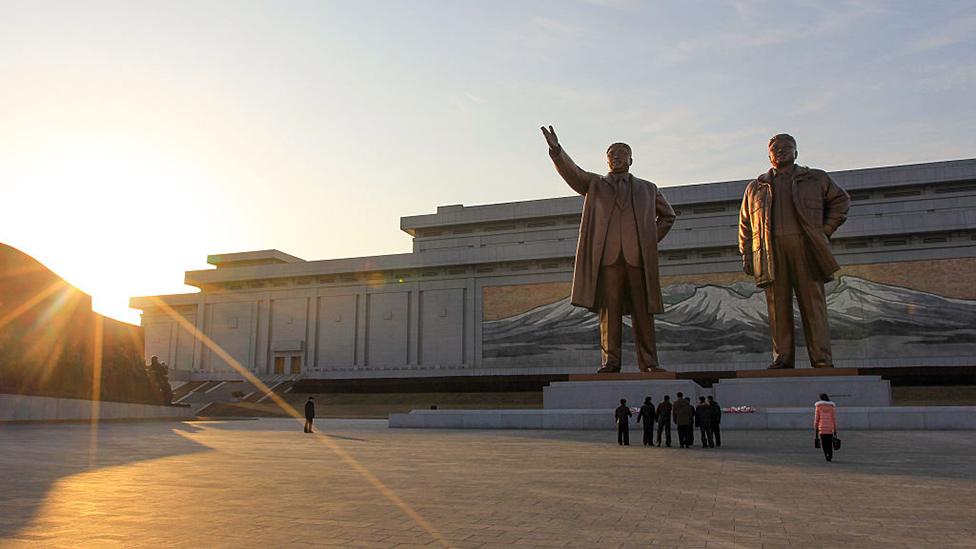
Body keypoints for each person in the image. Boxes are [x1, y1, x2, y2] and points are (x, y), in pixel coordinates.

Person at [541, 126, 676, 372]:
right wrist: (557, 151)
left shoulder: (648, 188)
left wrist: (647, 241)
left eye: (621, 154)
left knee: (643, 313)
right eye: (612, 154)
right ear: (606, 160)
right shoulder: (595, 184)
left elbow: (668, 216)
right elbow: (574, 174)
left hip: (638, 261)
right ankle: (610, 362)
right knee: (609, 312)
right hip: (608, 260)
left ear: (631, 160)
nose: (616, 157)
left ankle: (649, 363)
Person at [738, 134, 850, 369]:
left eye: (787, 147)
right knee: (777, 308)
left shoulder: (815, 178)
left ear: (796, 153)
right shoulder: (755, 188)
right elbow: (745, 226)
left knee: (813, 305)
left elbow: (841, 201)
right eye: (776, 148)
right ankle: (782, 359)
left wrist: (824, 231)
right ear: (768, 155)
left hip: (805, 247)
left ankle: (821, 360)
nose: (781, 151)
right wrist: (748, 256)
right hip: (770, 252)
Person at [814, 393, 837, 462]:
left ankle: (826, 455)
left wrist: (816, 427)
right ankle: (830, 456)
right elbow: (833, 418)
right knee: (829, 443)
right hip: (830, 427)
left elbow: (817, 418)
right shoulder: (831, 407)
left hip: (822, 427)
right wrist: (835, 428)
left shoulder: (818, 407)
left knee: (824, 443)